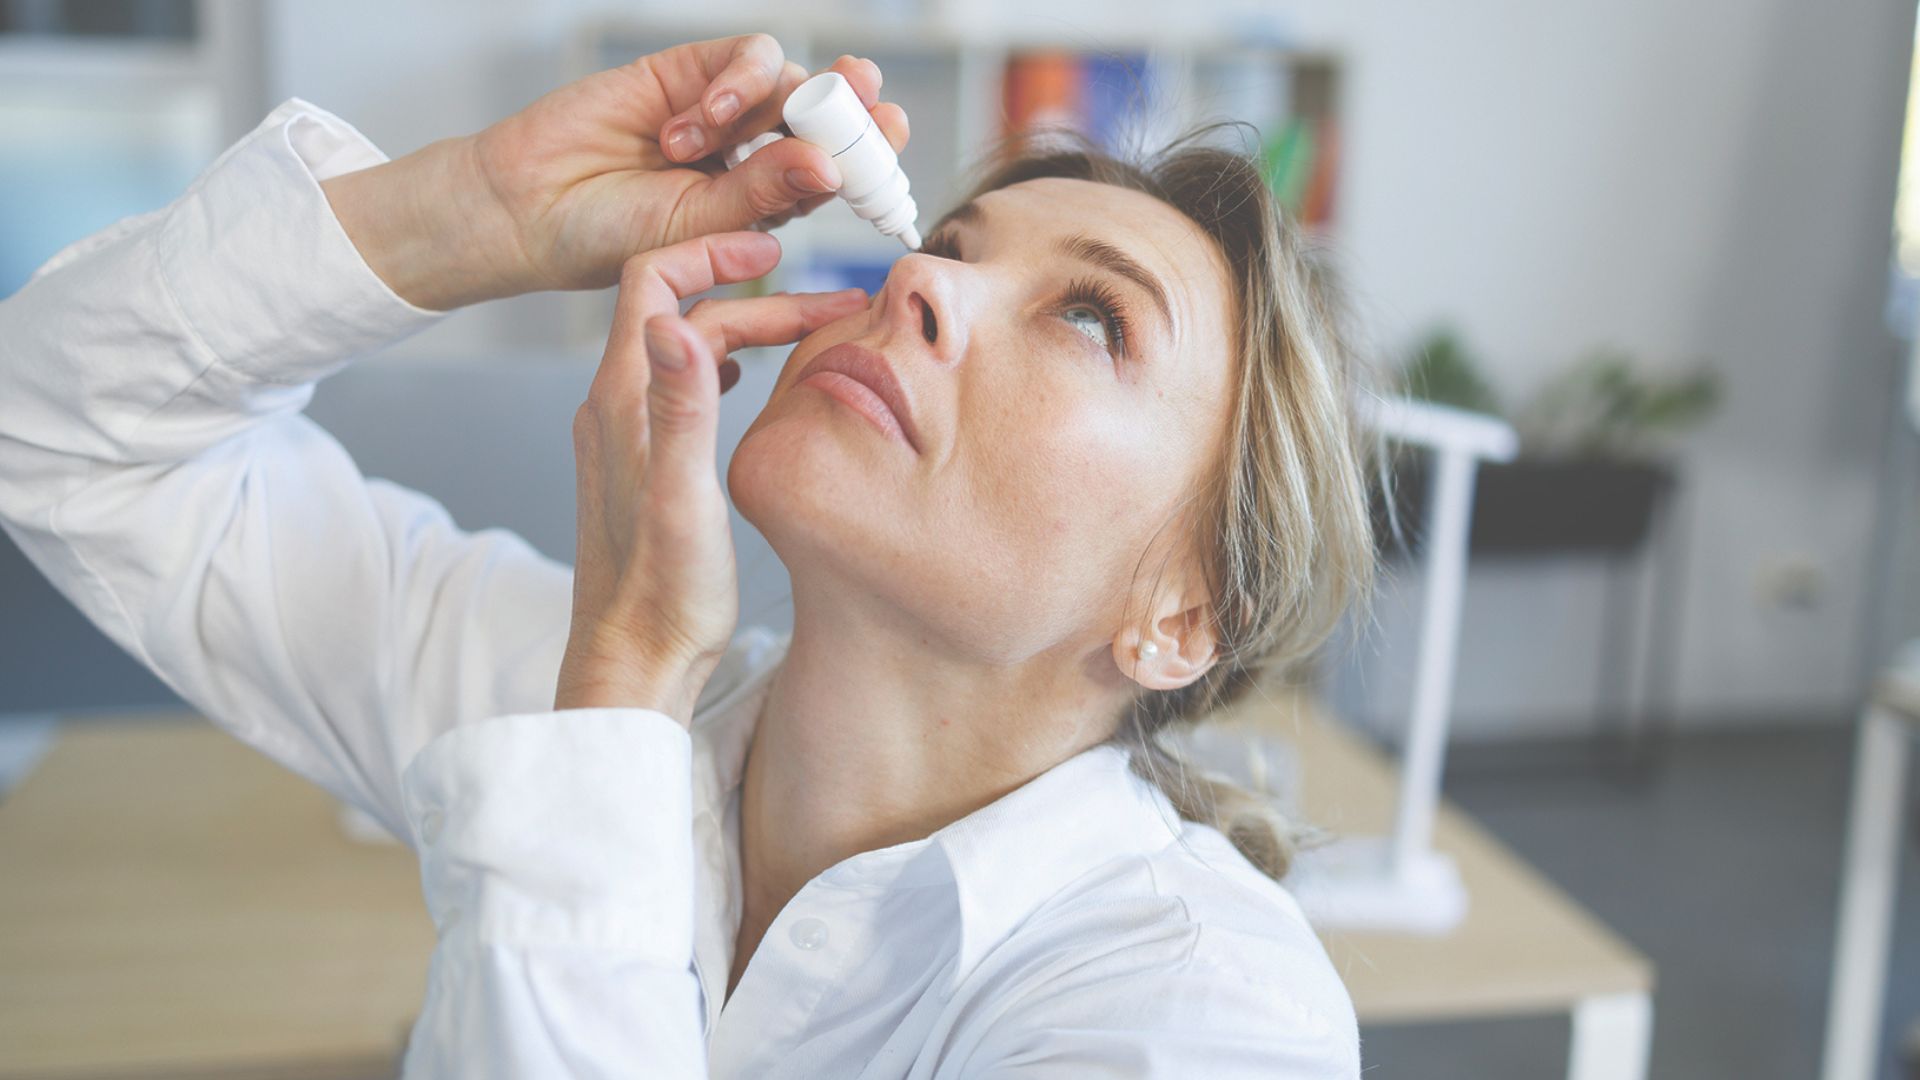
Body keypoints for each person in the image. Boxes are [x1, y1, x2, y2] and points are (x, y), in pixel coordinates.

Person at [0, 32, 1372, 1079]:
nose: (923, 283)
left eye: (1090, 319)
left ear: (1183, 615)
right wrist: (481, 212)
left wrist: (630, 667)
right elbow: (61, 431)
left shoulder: (1203, 1019)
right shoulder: (587, 697)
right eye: (948, 244)